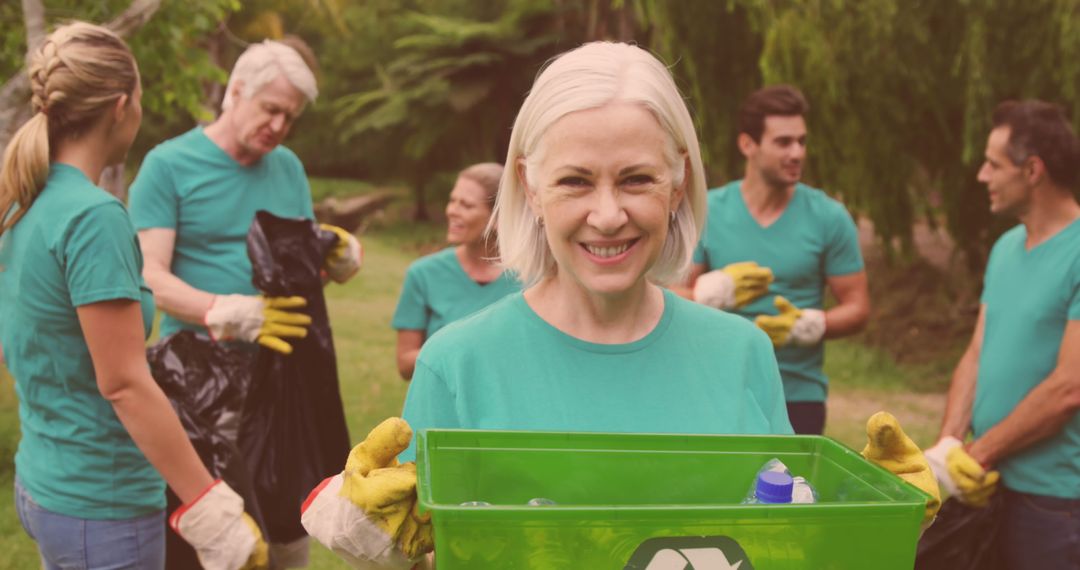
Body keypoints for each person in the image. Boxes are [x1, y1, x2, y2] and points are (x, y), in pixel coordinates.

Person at [299, 42, 939, 568]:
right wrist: (379, 547)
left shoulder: (743, 353)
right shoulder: (457, 365)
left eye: (636, 179)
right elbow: (425, 549)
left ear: (678, 181)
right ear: (530, 186)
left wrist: (870, 515)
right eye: (575, 181)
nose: (608, 216)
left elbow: (778, 546)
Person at [0, 22, 265, 569]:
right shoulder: (93, 217)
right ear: (121, 106)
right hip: (103, 504)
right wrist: (210, 508)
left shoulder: (24, 200)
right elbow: (122, 384)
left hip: (45, 483)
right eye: (140, 99)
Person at [128, 38, 361, 568]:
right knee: (218, 532)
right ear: (235, 91)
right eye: (271, 109)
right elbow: (149, 276)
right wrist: (230, 312)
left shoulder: (287, 168)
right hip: (199, 377)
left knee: (288, 523)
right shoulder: (169, 166)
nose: (279, 126)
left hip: (278, 377)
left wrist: (334, 256)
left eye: (290, 117)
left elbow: (296, 264)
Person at [924, 100, 1080, 570]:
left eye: (993, 164)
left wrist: (978, 453)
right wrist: (948, 450)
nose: (981, 176)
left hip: (1053, 503)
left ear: (1032, 170)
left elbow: (1069, 386)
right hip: (986, 490)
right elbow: (977, 354)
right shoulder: (1006, 248)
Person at [684, 85, 870, 435]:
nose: (797, 153)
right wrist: (710, 292)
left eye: (802, 141)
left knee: (792, 475)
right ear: (748, 145)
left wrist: (810, 326)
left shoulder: (829, 217)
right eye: (783, 142)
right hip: (719, 385)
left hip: (797, 394)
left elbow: (858, 308)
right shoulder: (706, 212)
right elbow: (667, 296)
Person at [392, 162, 521, 379]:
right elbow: (405, 364)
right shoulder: (423, 274)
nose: (452, 211)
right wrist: (464, 349)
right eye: (452, 201)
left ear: (498, 218)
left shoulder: (531, 278)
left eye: (466, 205)